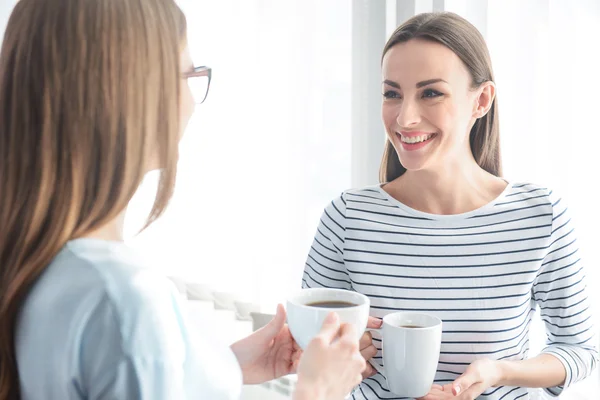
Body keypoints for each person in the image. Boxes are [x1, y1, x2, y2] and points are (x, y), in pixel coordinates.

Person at [0, 0, 368, 399]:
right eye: (188, 74)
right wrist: (318, 391)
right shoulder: (122, 299)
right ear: (134, 96)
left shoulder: (38, 261)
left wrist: (224, 368)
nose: (192, 101)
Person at [303, 12, 599, 400]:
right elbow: (310, 347)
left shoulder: (540, 216)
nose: (405, 117)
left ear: (481, 100)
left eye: (430, 93)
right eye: (392, 93)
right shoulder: (347, 218)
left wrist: (499, 372)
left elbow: (580, 350)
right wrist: (339, 356)